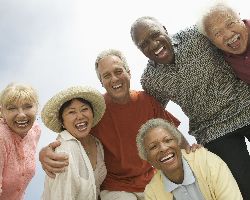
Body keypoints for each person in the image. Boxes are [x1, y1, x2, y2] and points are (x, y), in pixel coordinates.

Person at [39, 49, 196, 200]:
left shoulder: (147, 101)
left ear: (129, 72)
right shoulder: (95, 112)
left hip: (152, 180)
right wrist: (45, 153)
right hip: (115, 187)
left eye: (118, 71)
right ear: (101, 82)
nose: (114, 79)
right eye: (106, 76)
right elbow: (72, 135)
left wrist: (193, 157)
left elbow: (174, 134)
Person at [130, 16, 250, 199]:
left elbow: (234, 40)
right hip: (213, 130)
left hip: (244, 105)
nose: (153, 44)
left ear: (164, 28)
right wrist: (182, 145)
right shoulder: (151, 80)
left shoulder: (197, 35)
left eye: (155, 35)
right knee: (243, 185)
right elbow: (158, 118)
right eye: (144, 44)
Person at [136, 118, 243, 200]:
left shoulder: (207, 162)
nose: (163, 148)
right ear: (148, 158)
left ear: (178, 143)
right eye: (153, 147)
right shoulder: (152, 193)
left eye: (168, 140)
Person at [41, 85, 107, 200]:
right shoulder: (64, 150)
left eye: (84, 109)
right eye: (71, 112)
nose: (80, 116)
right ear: (62, 122)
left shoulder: (97, 143)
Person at [0, 83, 41, 200]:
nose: (22, 114)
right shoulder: (1, 137)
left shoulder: (35, 130)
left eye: (28, 106)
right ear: (2, 112)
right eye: (12, 108)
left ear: (36, 108)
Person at [196, 2, 250, 84]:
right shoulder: (220, 61)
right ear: (211, 40)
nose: (228, 35)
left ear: (239, 18)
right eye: (217, 33)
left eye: (230, 24)